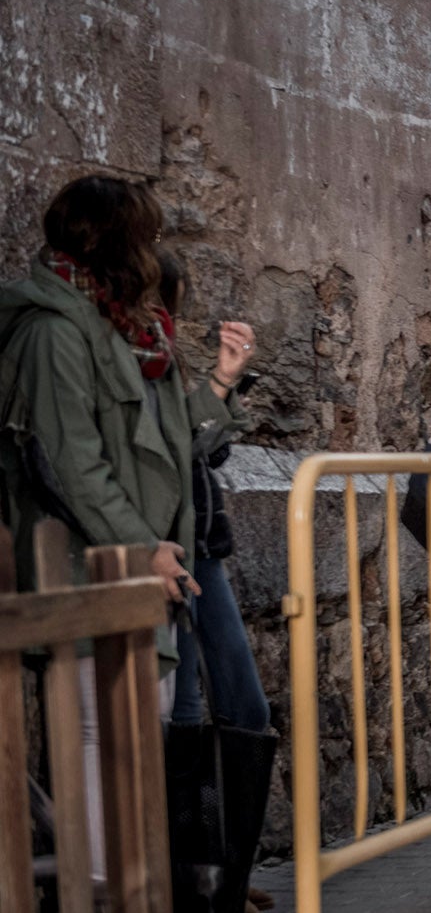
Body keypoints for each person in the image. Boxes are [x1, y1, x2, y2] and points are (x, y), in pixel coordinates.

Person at [0, 177, 253, 913]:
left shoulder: (125, 330)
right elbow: (69, 459)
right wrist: (142, 547)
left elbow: (176, 440)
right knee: (94, 736)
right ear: (112, 244)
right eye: (141, 238)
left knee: (131, 737)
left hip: (149, 565)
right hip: (89, 565)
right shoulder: (53, 332)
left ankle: (132, 901)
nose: (152, 254)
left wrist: (219, 385)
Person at [155, 253, 269, 737]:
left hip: (199, 546)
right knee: (182, 712)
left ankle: (222, 814)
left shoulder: (155, 356)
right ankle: (193, 814)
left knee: (246, 710)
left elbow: (186, 446)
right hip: (161, 547)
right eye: (168, 312)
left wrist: (224, 382)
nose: (170, 327)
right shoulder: (118, 355)